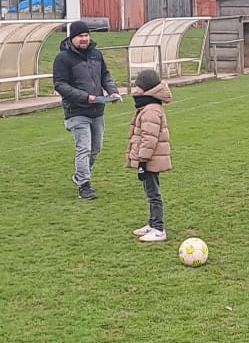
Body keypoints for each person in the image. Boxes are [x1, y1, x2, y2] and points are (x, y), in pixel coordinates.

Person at [52, 20, 121, 199]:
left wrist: (112, 91)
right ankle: (85, 185)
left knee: (95, 148)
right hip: (76, 111)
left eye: (86, 35)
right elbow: (60, 85)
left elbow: (105, 75)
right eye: (80, 36)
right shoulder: (63, 58)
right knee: (84, 148)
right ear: (72, 38)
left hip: (97, 110)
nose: (84, 39)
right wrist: (84, 97)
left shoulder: (96, 54)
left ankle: (81, 176)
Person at [125, 68, 172, 242]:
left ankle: (159, 228)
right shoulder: (147, 107)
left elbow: (149, 138)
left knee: (153, 194)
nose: (135, 89)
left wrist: (143, 161)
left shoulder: (151, 110)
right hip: (150, 159)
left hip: (151, 160)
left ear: (146, 88)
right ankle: (152, 224)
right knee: (150, 192)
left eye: (138, 86)